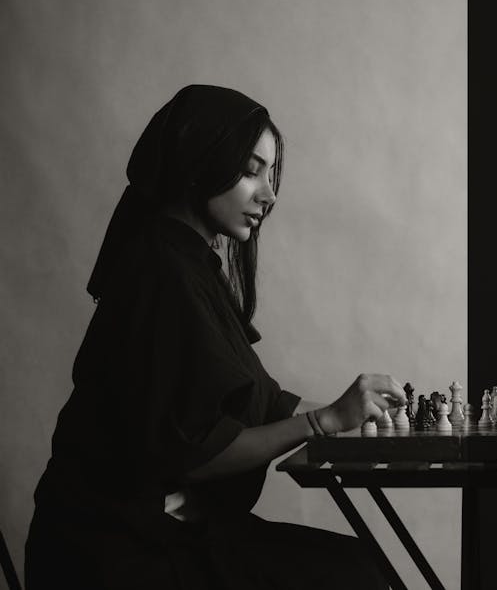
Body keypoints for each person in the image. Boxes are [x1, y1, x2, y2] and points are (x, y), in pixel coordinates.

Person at [25, 85, 403, 589]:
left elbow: (261, 402)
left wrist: (356, 415)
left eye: (270, 175)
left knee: (359, 569)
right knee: (357, 577)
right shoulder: (162, 272)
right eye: (250, 171)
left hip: (166, 533)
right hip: (113, 552)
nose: (268, 195)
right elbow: (196, 452)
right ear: (200, 162)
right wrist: (325, 420)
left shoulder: (188, 263)